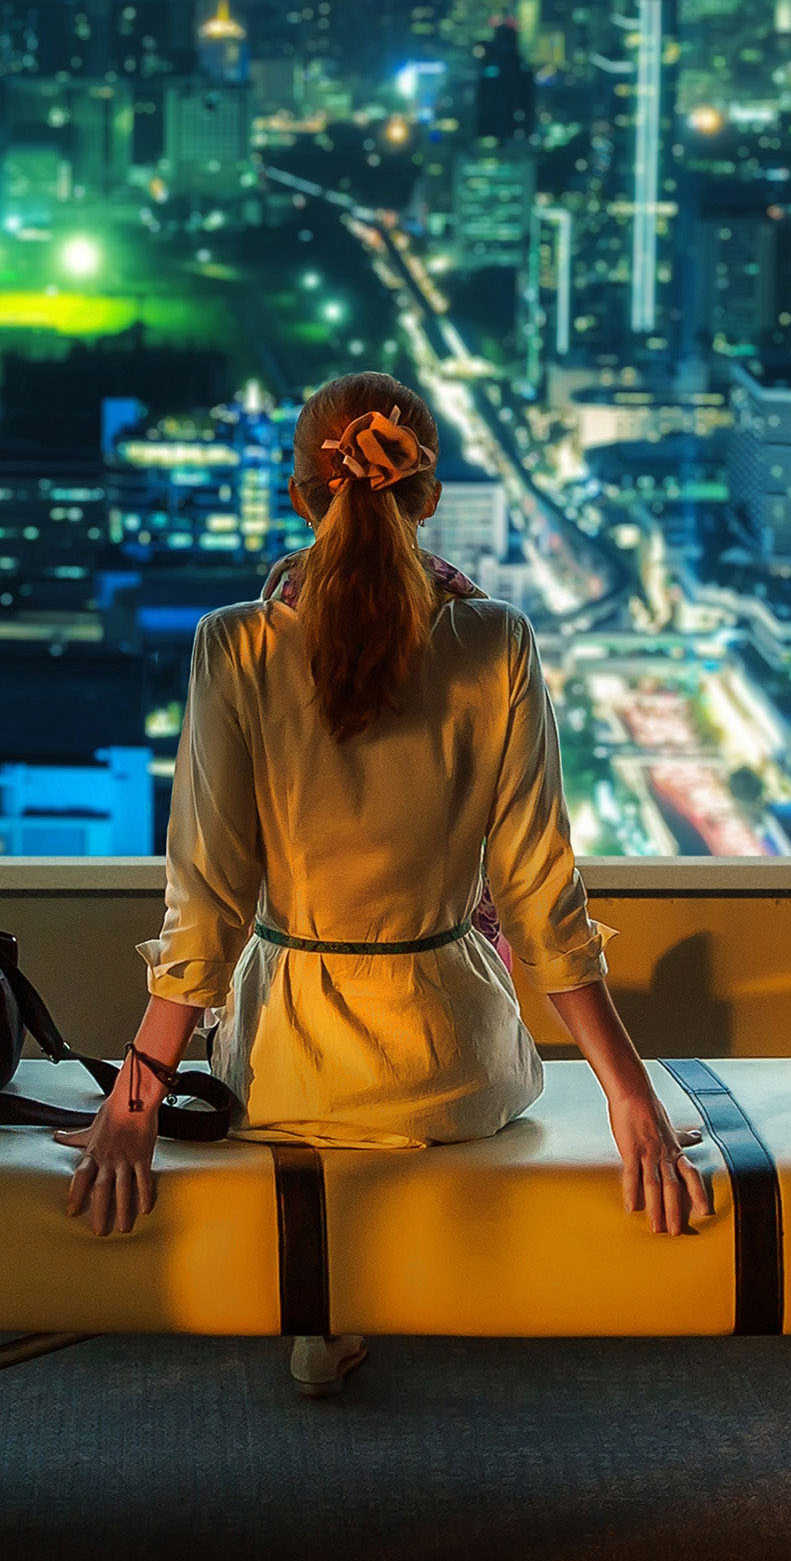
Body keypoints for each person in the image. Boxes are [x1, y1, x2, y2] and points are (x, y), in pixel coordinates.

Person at [59, 370, 711, 1396]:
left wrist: (135, 1102)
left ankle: (327, 1299)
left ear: (299, 495)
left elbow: (208, 901)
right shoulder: (496, 640)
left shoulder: (235, 643)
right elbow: (542, 895)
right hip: (454, 1070)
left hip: (283, 1073)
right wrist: (629, 1097)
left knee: (307, 1096)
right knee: (525, 1074)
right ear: (430, 494)